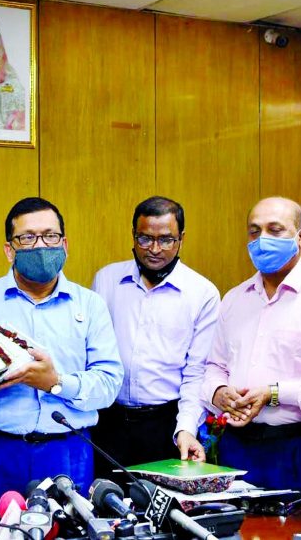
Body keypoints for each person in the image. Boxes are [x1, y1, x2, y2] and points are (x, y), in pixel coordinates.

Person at [0, 197, 123, 513]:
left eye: (50, 236)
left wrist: (55, 382)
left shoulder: (90, 305)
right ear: (9, 249)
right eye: (28, 238)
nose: (41, 245)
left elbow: (109, 384)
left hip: (67, 452)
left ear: (65, 243)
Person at [202, 197, 301, 496]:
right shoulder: (234, 298)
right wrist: (219, 393)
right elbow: (215, 366)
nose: (262, 240)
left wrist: (273, 394)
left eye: (275, 230)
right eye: (254, 231)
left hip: (296, 447)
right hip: (236, 445)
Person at [91, 196, 219, 476]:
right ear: (133, 236)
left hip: (164, 424)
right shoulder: (106, 280)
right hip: (107, 422)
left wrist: (186, 429)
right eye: (145, 239)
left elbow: (196, 372)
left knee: (162, 514)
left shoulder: (202, 293)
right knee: (104, 509)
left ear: (181, 239)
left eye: (166, 240)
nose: (154, 249)